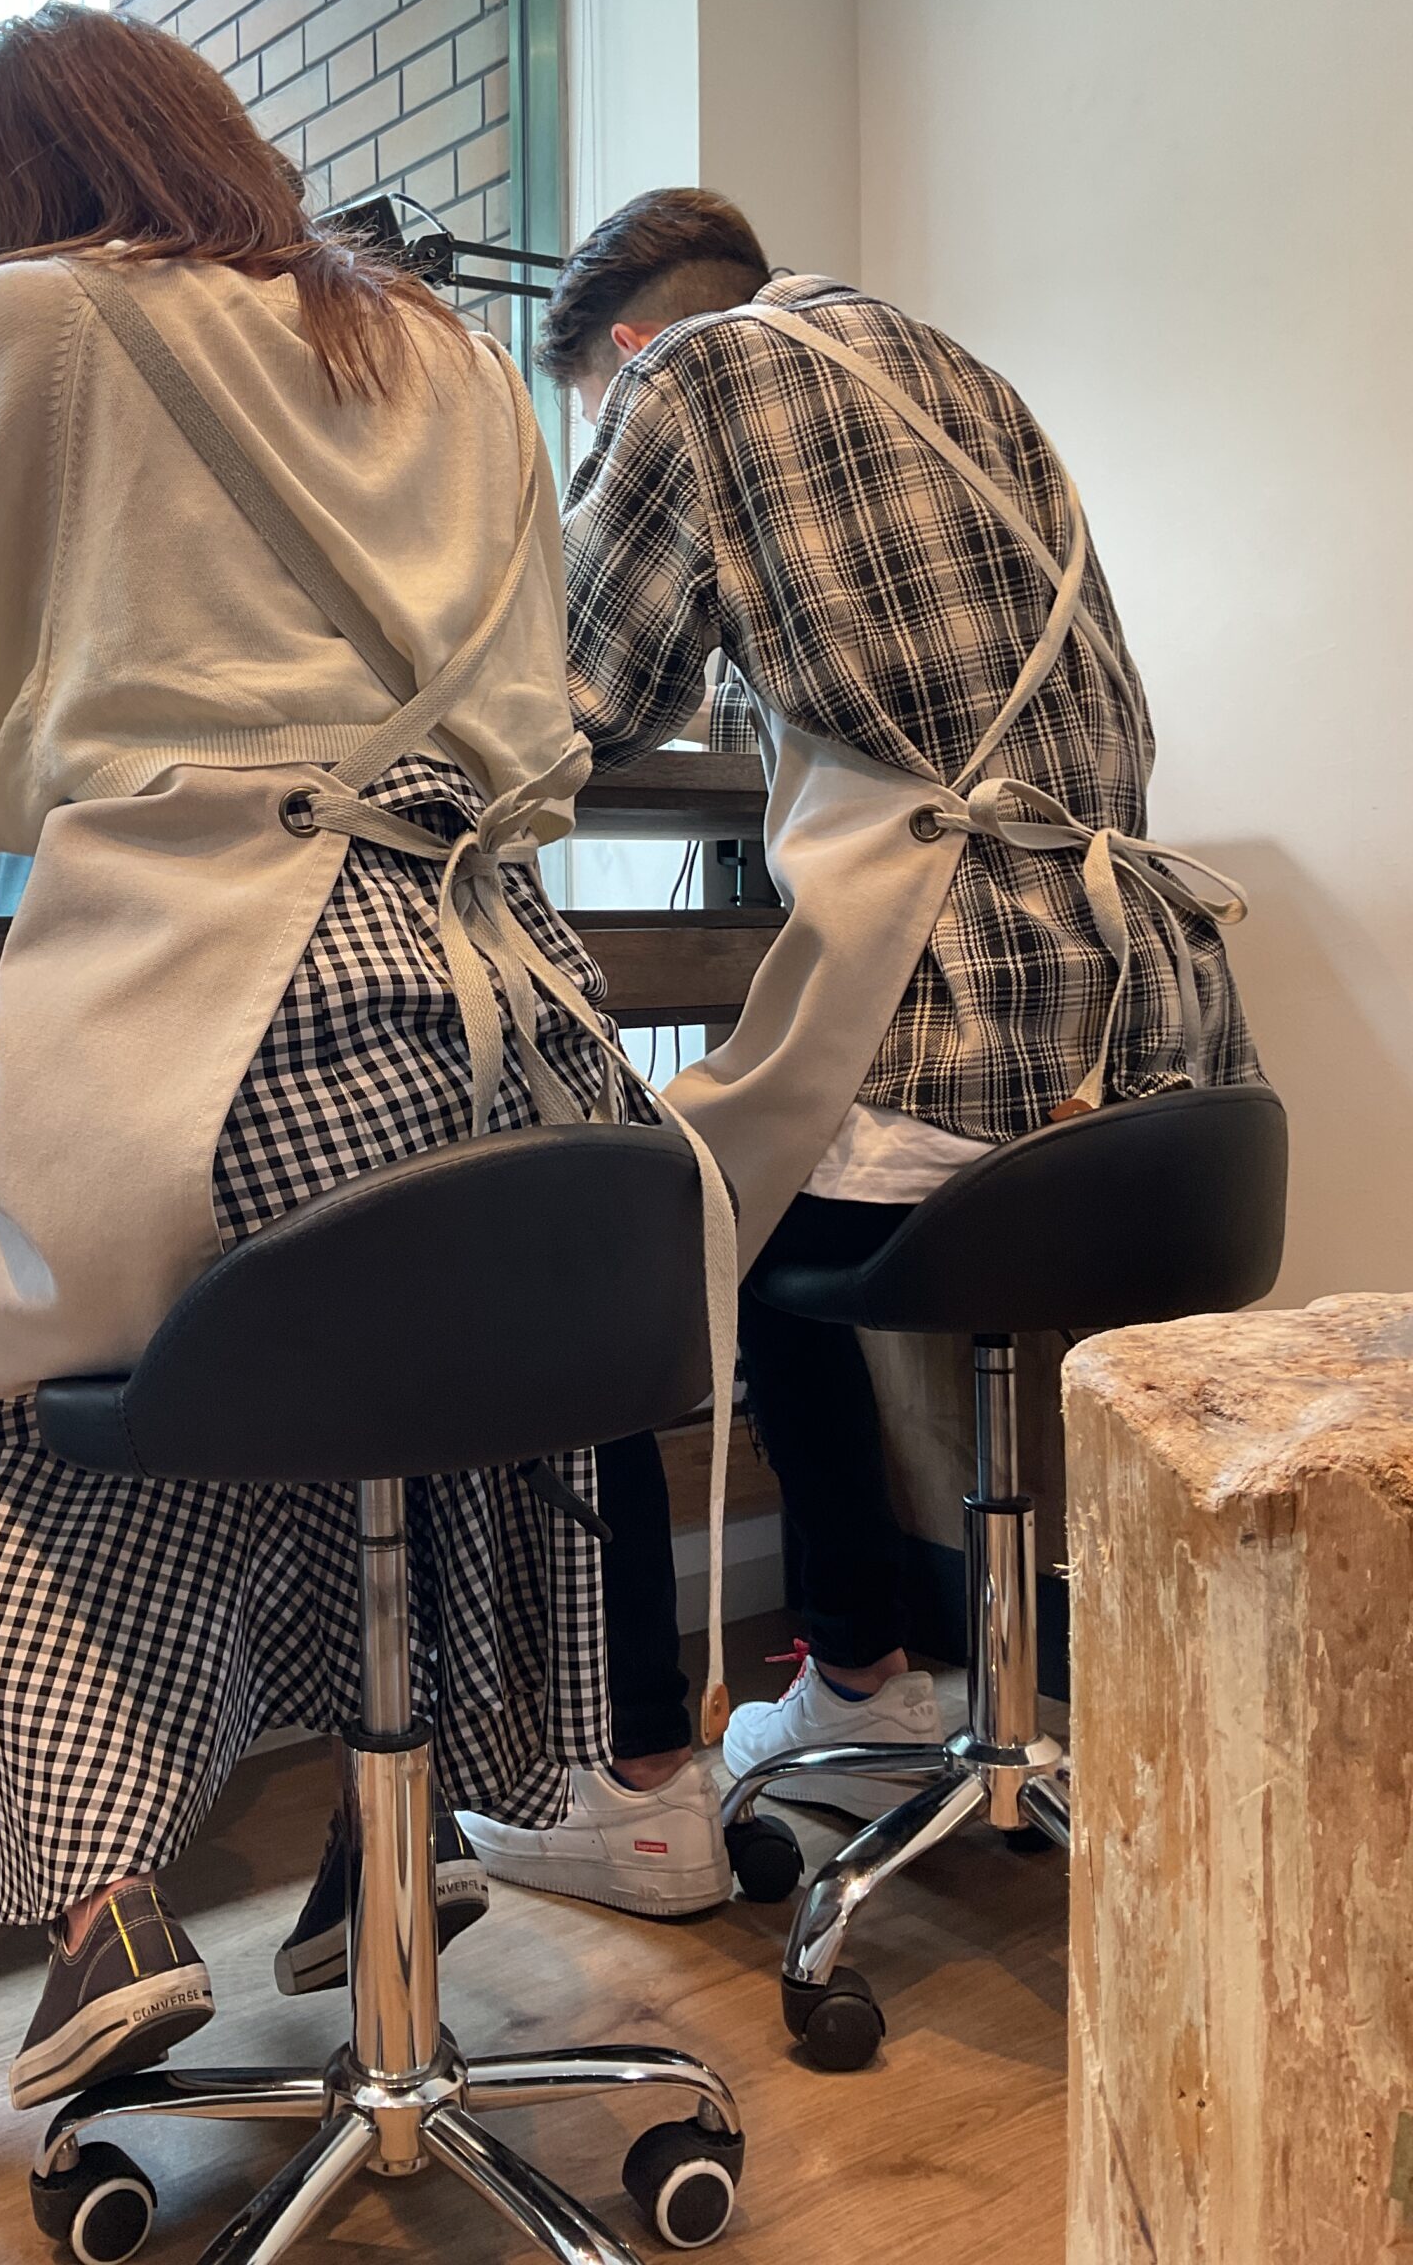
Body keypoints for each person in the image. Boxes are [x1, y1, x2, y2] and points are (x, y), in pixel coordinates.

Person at [0, 3, 662, 2108]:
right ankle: (391, 1835)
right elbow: (545, 731)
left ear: (7, 196)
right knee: (401, 1355)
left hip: (252, 1007)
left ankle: (107, 1902)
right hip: (533, 1029)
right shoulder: (450, 359)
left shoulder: (43, 320)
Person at [464, 187, 1261, 1892]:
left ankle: (649, 1766)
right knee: (753, 1223)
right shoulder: (963, 380)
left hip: (963, 1036)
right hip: (1156, 1050)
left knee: (618, 1225)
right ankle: (862, 1667)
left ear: (630, 349)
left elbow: (567, 702)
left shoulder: (694, 379)